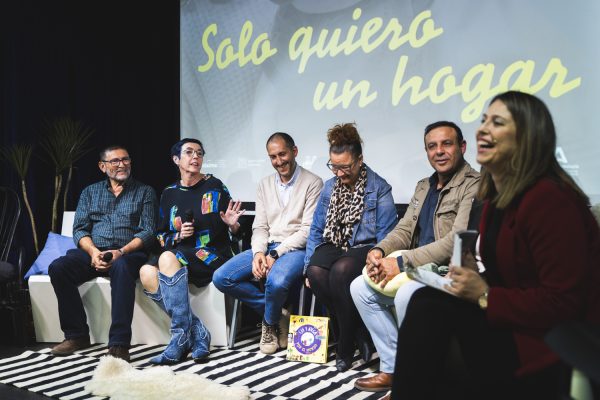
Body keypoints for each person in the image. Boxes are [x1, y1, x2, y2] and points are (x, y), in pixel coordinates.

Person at [390, 91, 600, 399]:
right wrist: (469, 279)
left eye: (497, 122)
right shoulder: (497, 198)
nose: (482, 130)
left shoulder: (550, 200)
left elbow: (564, 304)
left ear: (527, 136)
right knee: (427, 301)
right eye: (484, 120)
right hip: (516, 318)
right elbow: (509, 274)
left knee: (429, 312)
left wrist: (485, 294)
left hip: (555, 338)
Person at [350, 121, 480, 392]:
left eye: (447, 144)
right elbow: (405, 229)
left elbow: (454, 242)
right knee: (359, 288)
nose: (439, 151)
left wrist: (399, 262)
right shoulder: (424, 186)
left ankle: (418, 383)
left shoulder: (474, 185)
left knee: (406, 294)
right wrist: (379, 251)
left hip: (448, 272)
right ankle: (393, 368)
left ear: (462, 147)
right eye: (432, 146)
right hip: (416, 268)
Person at [213, 132, 323, 354]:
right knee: (222, 277)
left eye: (282, 154)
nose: (278, 161)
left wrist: (276, 254)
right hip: (268, 246)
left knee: (276, 280)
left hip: (296, 249)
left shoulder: (314, 182)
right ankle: (276, 314)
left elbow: (308, 231)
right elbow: (260, 227)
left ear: (294, 151)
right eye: (273, 156)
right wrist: (258, 254)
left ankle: (269, 325)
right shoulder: (264, 184)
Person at [139, 138, 243, 365]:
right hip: (180, 254)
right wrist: (177, 235)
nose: (195, 157)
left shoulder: (215, 186)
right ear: (176, 160)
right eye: (189, 152)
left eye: (199, 153)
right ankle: (196, 331)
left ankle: (179, 338)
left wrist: (233, 225)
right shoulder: (168, 193)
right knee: (146, 273)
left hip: (212, 254)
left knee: (167, 257)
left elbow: (235, 230)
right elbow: (159, 234)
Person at [48, 145, 158, 361]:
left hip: (128, 252)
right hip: (95, 251)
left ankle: (118, 343)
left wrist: (121, 251)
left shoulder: (145, 191)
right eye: (115, 161)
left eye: (125, 160)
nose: (122, 165)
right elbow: (80, 229)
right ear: (102, 166)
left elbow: (148, 232)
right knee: (59, 267)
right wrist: (93, 252)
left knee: (122, 266)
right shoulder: (90, 192)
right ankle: (76, 335)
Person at [304, 122, 398, 372]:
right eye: (333, 166)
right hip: (334, 243)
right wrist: (306, 267)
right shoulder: (328, 187)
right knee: (314, 271)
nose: (338, 173)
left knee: (341, 270)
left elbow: (386, 236)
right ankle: (358, 331)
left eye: (345, 167)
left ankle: (344, 347)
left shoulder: (378, 188)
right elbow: (316, 230)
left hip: (365, 247)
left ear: (359, 160)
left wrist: (377, 258)